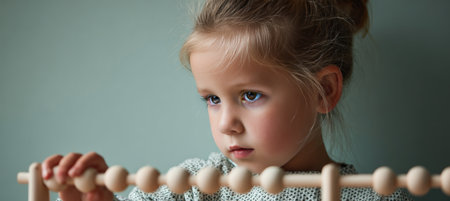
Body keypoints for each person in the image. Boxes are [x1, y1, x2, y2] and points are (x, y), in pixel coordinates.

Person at [42, 0, 412, 200]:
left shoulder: (372, 199)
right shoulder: (193, 186)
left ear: (323, 91)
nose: (225, 124)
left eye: (250, 95)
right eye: (212, 99)